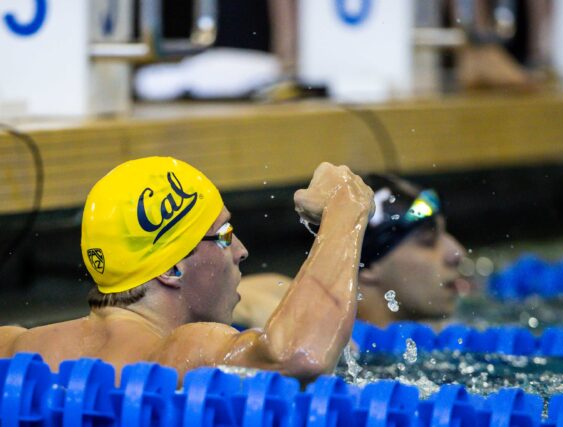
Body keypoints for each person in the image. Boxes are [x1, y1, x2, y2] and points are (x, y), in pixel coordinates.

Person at [0, 157, 374, 382]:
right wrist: (346, 208)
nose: (241, 251)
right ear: (173, 268)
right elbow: (300, 355)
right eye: (225, 235)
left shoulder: (15, 346)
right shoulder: (181, 352)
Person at [234, 174, 467, 330]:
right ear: (368, 266)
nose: (456, 252)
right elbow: (240, 298)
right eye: (428, 241)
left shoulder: (444, 333)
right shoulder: (296, 304)